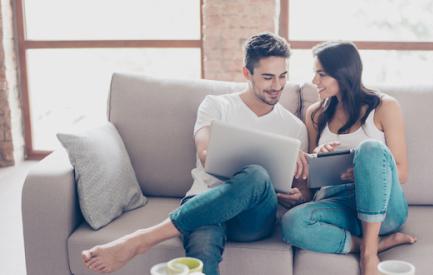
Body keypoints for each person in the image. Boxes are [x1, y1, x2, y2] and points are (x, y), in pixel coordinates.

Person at [81, 32, 310, 275]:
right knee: (202, 256)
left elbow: (303, 191)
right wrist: (266, 154)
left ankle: (141, 240)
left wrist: (296, 195)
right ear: (247, 73)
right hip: (204, 200)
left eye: (283, 76)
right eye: (267, 77)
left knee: (257, 176)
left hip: (252, 218)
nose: (277, 86)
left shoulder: (293, 127)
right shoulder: (216, 106)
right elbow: (205, 154)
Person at [278, 41, 417, 275]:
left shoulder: (385, 107)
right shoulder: (315, 114)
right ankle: (374, 244)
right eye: (315, 74)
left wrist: (364, 172)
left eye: (321, 74)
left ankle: (369, 254)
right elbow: (312, 188)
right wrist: (314, 162)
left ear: (343, 74)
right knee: (291, 223)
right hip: (337, 205)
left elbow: (401, 172)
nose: (314, 81)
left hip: (385, 210)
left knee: (370, 149)